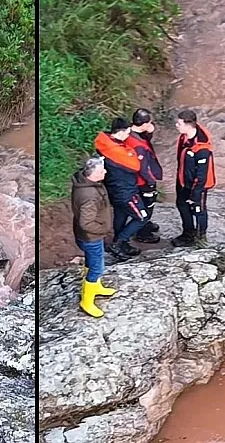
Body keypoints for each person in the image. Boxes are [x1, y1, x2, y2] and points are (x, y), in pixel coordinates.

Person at [94, 117, 148, 259]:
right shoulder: (116, 151)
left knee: (121, 215)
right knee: (142, 217)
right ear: (122, 132)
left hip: (114, 189)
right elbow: (135, 165)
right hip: (125, 191)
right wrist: (131, 152)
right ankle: (118, 243)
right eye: (128, 132)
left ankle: (121, 244)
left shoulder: (105, 144)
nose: (129, 136)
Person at [71, 156, 116, 318]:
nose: (105, 171)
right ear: (93, 174)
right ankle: (87, 301)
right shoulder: (89, 196)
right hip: (91, 237)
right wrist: (103, 229)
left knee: (91, 262)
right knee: (97, 267)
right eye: (102, 170)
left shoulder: (85, 183)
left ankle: (95, 287)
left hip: (87, 236)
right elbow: (86, 222)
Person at [173, 109, 217, 247]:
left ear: (188, 125)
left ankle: (200, 238)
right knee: (182, 205)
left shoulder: (202, 148)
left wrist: (195, 194)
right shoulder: (184, 137)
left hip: (198, 185)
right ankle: (188, 233)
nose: (176, 125)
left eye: (179, 123)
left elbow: (202, 174)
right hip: (183, 179)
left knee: (198, 210)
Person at [125, 108, 163, 244]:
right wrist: (151, 182)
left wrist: (149, 133)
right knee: (148, 204)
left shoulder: (129, 133)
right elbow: (143, 168)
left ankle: (145, 224)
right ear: (145, 124)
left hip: (133, 179)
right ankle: (143, 233)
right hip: (142, 181)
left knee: (142, 203)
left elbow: (143, 140)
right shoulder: (138, 146)